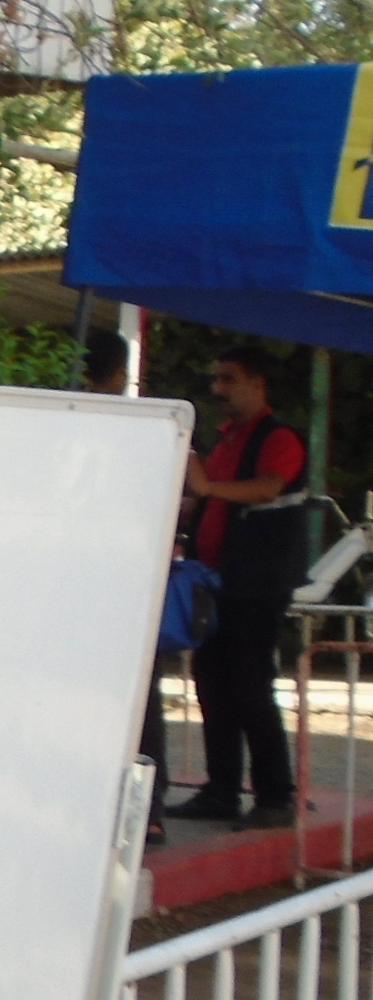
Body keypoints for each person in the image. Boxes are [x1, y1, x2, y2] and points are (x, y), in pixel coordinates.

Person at [168, 345, 310, 830]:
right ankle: (221, 789)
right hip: (217, 582)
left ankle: (275, 795)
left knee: (251, 687)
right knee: (212, 685)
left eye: (228, 379)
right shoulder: (227, 439)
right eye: (216, 379)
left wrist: (208, 489)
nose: (218, 390)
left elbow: (269, 486)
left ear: (257, 383)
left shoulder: (279, 437)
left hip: (258, 584)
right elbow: (206, 495)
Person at [81, 327, 170, 845]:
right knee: (138, 699)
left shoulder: (67, 426)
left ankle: (126, 806)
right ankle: (146, 810)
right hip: (128, 577)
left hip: (90, 577)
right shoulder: (144, 432)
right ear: (120, 374)